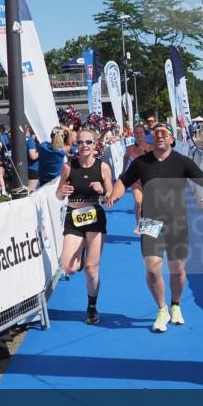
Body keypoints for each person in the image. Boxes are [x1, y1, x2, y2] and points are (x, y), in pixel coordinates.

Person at [106, 123, 203, 332]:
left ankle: (176, 305)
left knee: (178, 270)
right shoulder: (141, 163)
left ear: (171, 139)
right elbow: (123, 180)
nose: (159, 136)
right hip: (150, 221)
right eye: (155, 134)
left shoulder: (182, 162)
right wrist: (114, 194)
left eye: (163, 133)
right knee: (153, 267)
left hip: (178, 223)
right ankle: (162, 309)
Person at [55, 128, 113, 325]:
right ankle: (78, 258)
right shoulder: (68, 167)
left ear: (95, 145)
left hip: (95, 216)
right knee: (69, 268)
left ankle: (92, 307)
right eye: (80, 142)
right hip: (74, 216)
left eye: (88, 142)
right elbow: (58, 195)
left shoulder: (103, 167)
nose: (84, 146)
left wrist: (103, 190)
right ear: (76, 145)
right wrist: (62, 191)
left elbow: (110, 197)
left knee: (91, 268)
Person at [25, 127, 41, 191]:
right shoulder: (30, 140)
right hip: (33, 168)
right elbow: (33, 156)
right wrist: (43, 151)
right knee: (30, 192)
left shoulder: (18, 139)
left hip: (23, 168)